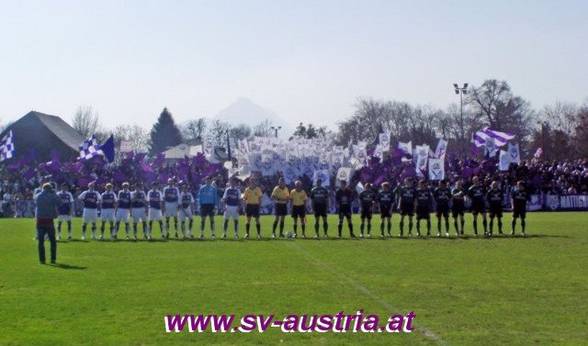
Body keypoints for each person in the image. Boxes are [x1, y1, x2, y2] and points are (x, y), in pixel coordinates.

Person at [34, 183, 62, 264]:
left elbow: (35, 201)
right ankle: (53, 259)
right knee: (53, 241)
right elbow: (60, 202)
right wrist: (55, 193)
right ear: (49, 189)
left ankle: (42, 260)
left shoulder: (38, 195)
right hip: (49, 220)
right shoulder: (52, 195)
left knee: (41, 242)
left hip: (40, 220)